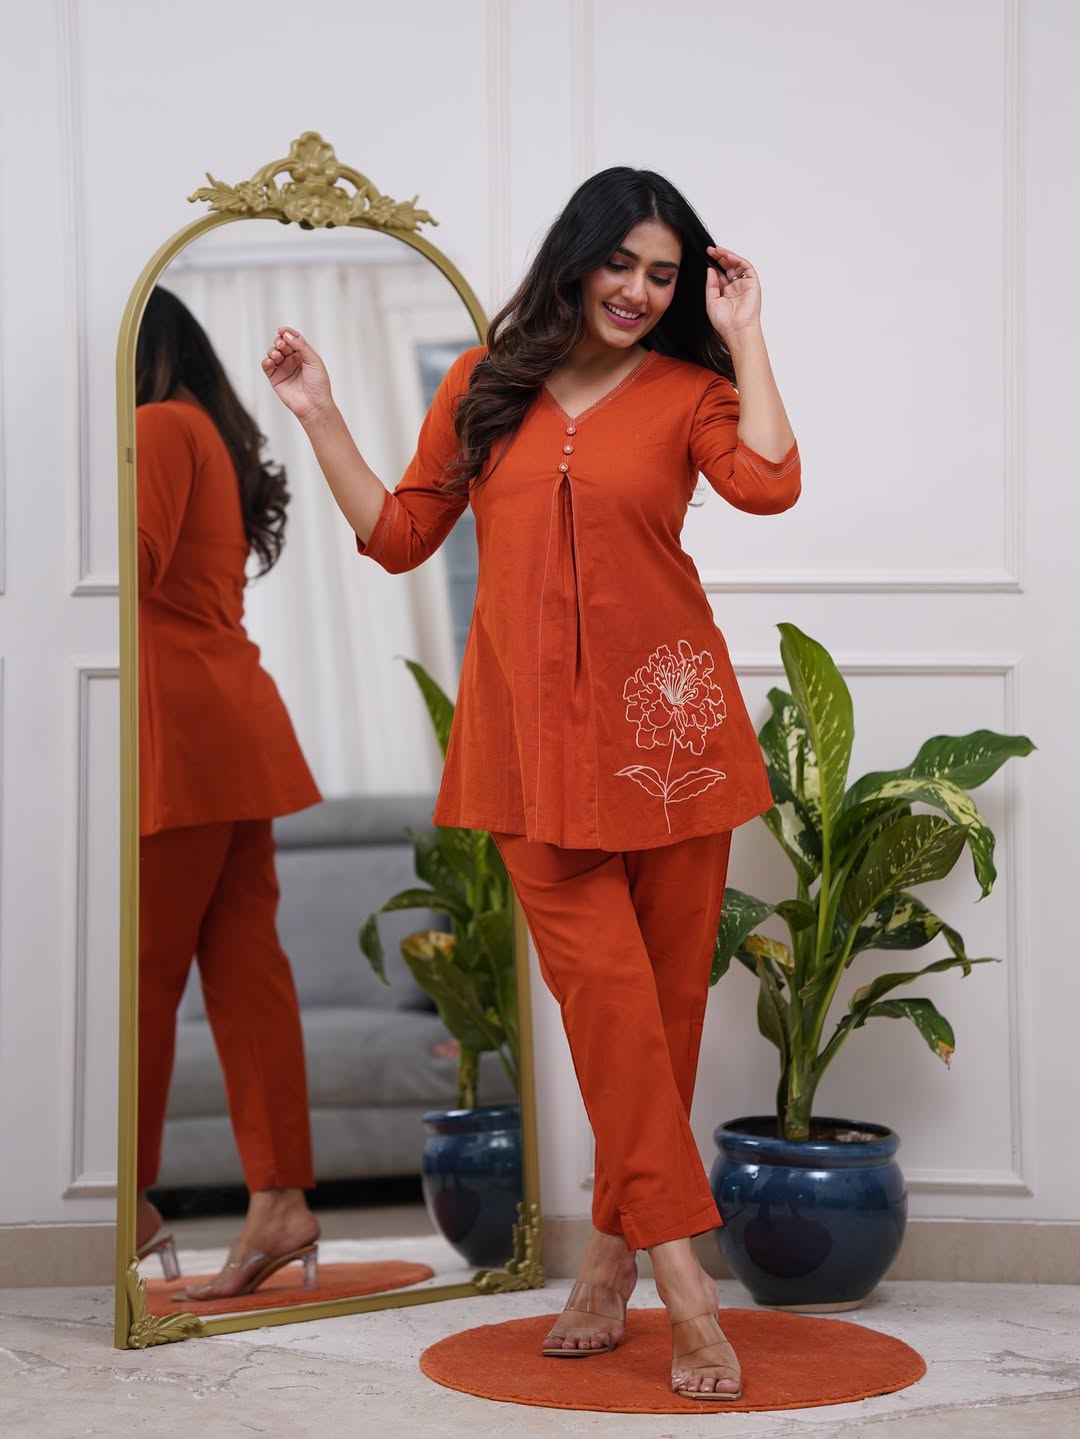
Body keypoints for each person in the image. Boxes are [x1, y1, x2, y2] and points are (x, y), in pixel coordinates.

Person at [263, 168, 800, 1399]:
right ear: (578, 257)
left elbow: (771, 481)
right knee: (605, 1005)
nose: (638, 290)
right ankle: (688, 1288)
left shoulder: (691, 389)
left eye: (663, 275)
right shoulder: (482, 385)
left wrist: (746, 332)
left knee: (658, 1023)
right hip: (527, 754)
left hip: (673, 741)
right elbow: (401, 533)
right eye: (623, 264)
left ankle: (609, 1258)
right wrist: (320, 413)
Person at [135, 286, 322, 1301]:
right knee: (246, 970)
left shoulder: (158, 426)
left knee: (144, 976)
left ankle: (123, 1202)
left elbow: (124, 571)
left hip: (185, 728)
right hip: (230, 717)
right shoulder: (202, 425)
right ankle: (280, 1199)